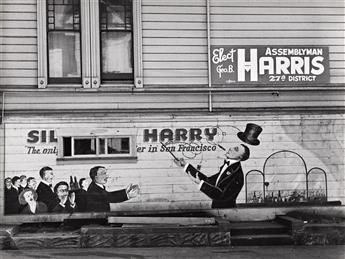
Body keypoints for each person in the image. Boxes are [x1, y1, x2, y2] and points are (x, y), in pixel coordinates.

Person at [175, 144, 250, 208]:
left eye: (236, 149)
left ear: (240, 158)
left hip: (227, 211)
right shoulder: (228, 167)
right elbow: (209, 180)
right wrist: (185, 165)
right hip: (217, 209)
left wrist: (200, 183)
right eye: (234, 147)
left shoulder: (237, 175)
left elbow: (221, 196)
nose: (231, 148)